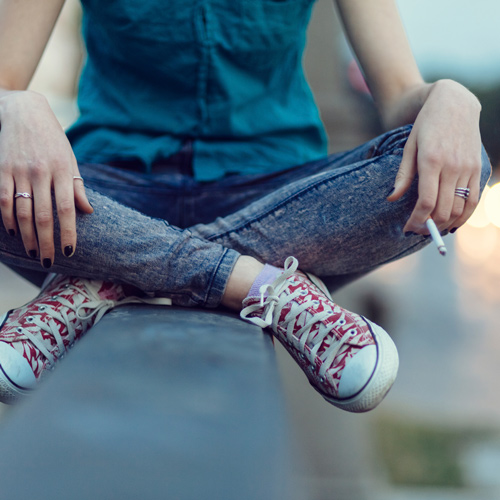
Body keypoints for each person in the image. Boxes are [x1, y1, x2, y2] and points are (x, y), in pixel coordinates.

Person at [0, 0, 491, 411]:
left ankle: (110, 273)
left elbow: (399, 93)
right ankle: (264, 286)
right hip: (108, 192)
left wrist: (451, 99)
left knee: (464, 165)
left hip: (274, 199)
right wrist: (16, 106)